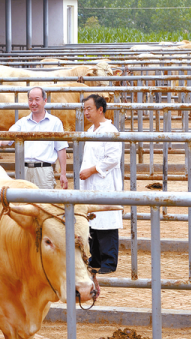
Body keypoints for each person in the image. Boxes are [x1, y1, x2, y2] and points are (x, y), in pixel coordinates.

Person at [79, 94, 123, 274]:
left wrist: (91, 170)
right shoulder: (91, 130)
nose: (86, 112)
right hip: (91, 182)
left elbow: (113, 159)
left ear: (100, 109)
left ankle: (109, 261)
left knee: (107, 220)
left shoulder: (110, 130)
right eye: (84, 109)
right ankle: (95, 258)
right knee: (93, 221)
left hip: (104, 181)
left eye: (89, 108)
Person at [0, 87, 68, 190]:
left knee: (44, 204)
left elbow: (61, 148)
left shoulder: (55, 122)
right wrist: (1, 140)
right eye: (30, 100)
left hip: (44, 170)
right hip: (24, 170)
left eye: (37, 99)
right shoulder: (22, 122)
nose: (33, 103)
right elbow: (9, 136)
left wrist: (63, 174)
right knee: (22, 204)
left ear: (44, 101)